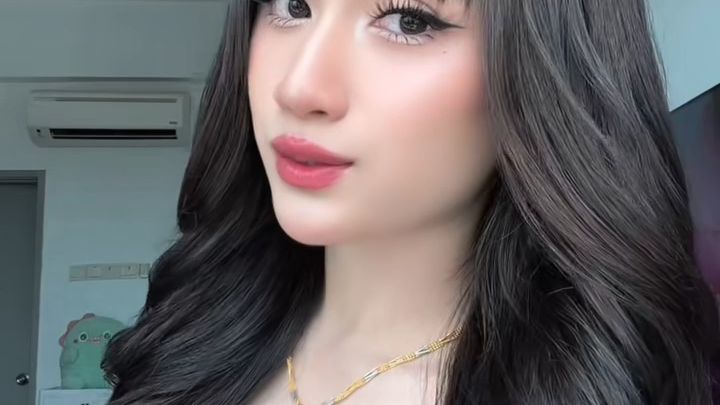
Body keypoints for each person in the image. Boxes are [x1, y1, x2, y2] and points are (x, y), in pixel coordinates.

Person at [101, 0, 720, 404]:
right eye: (292, 7)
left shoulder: (592, 386)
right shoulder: (193, 331)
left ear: (547, 72)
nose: (300, 87)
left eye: (409, 20)